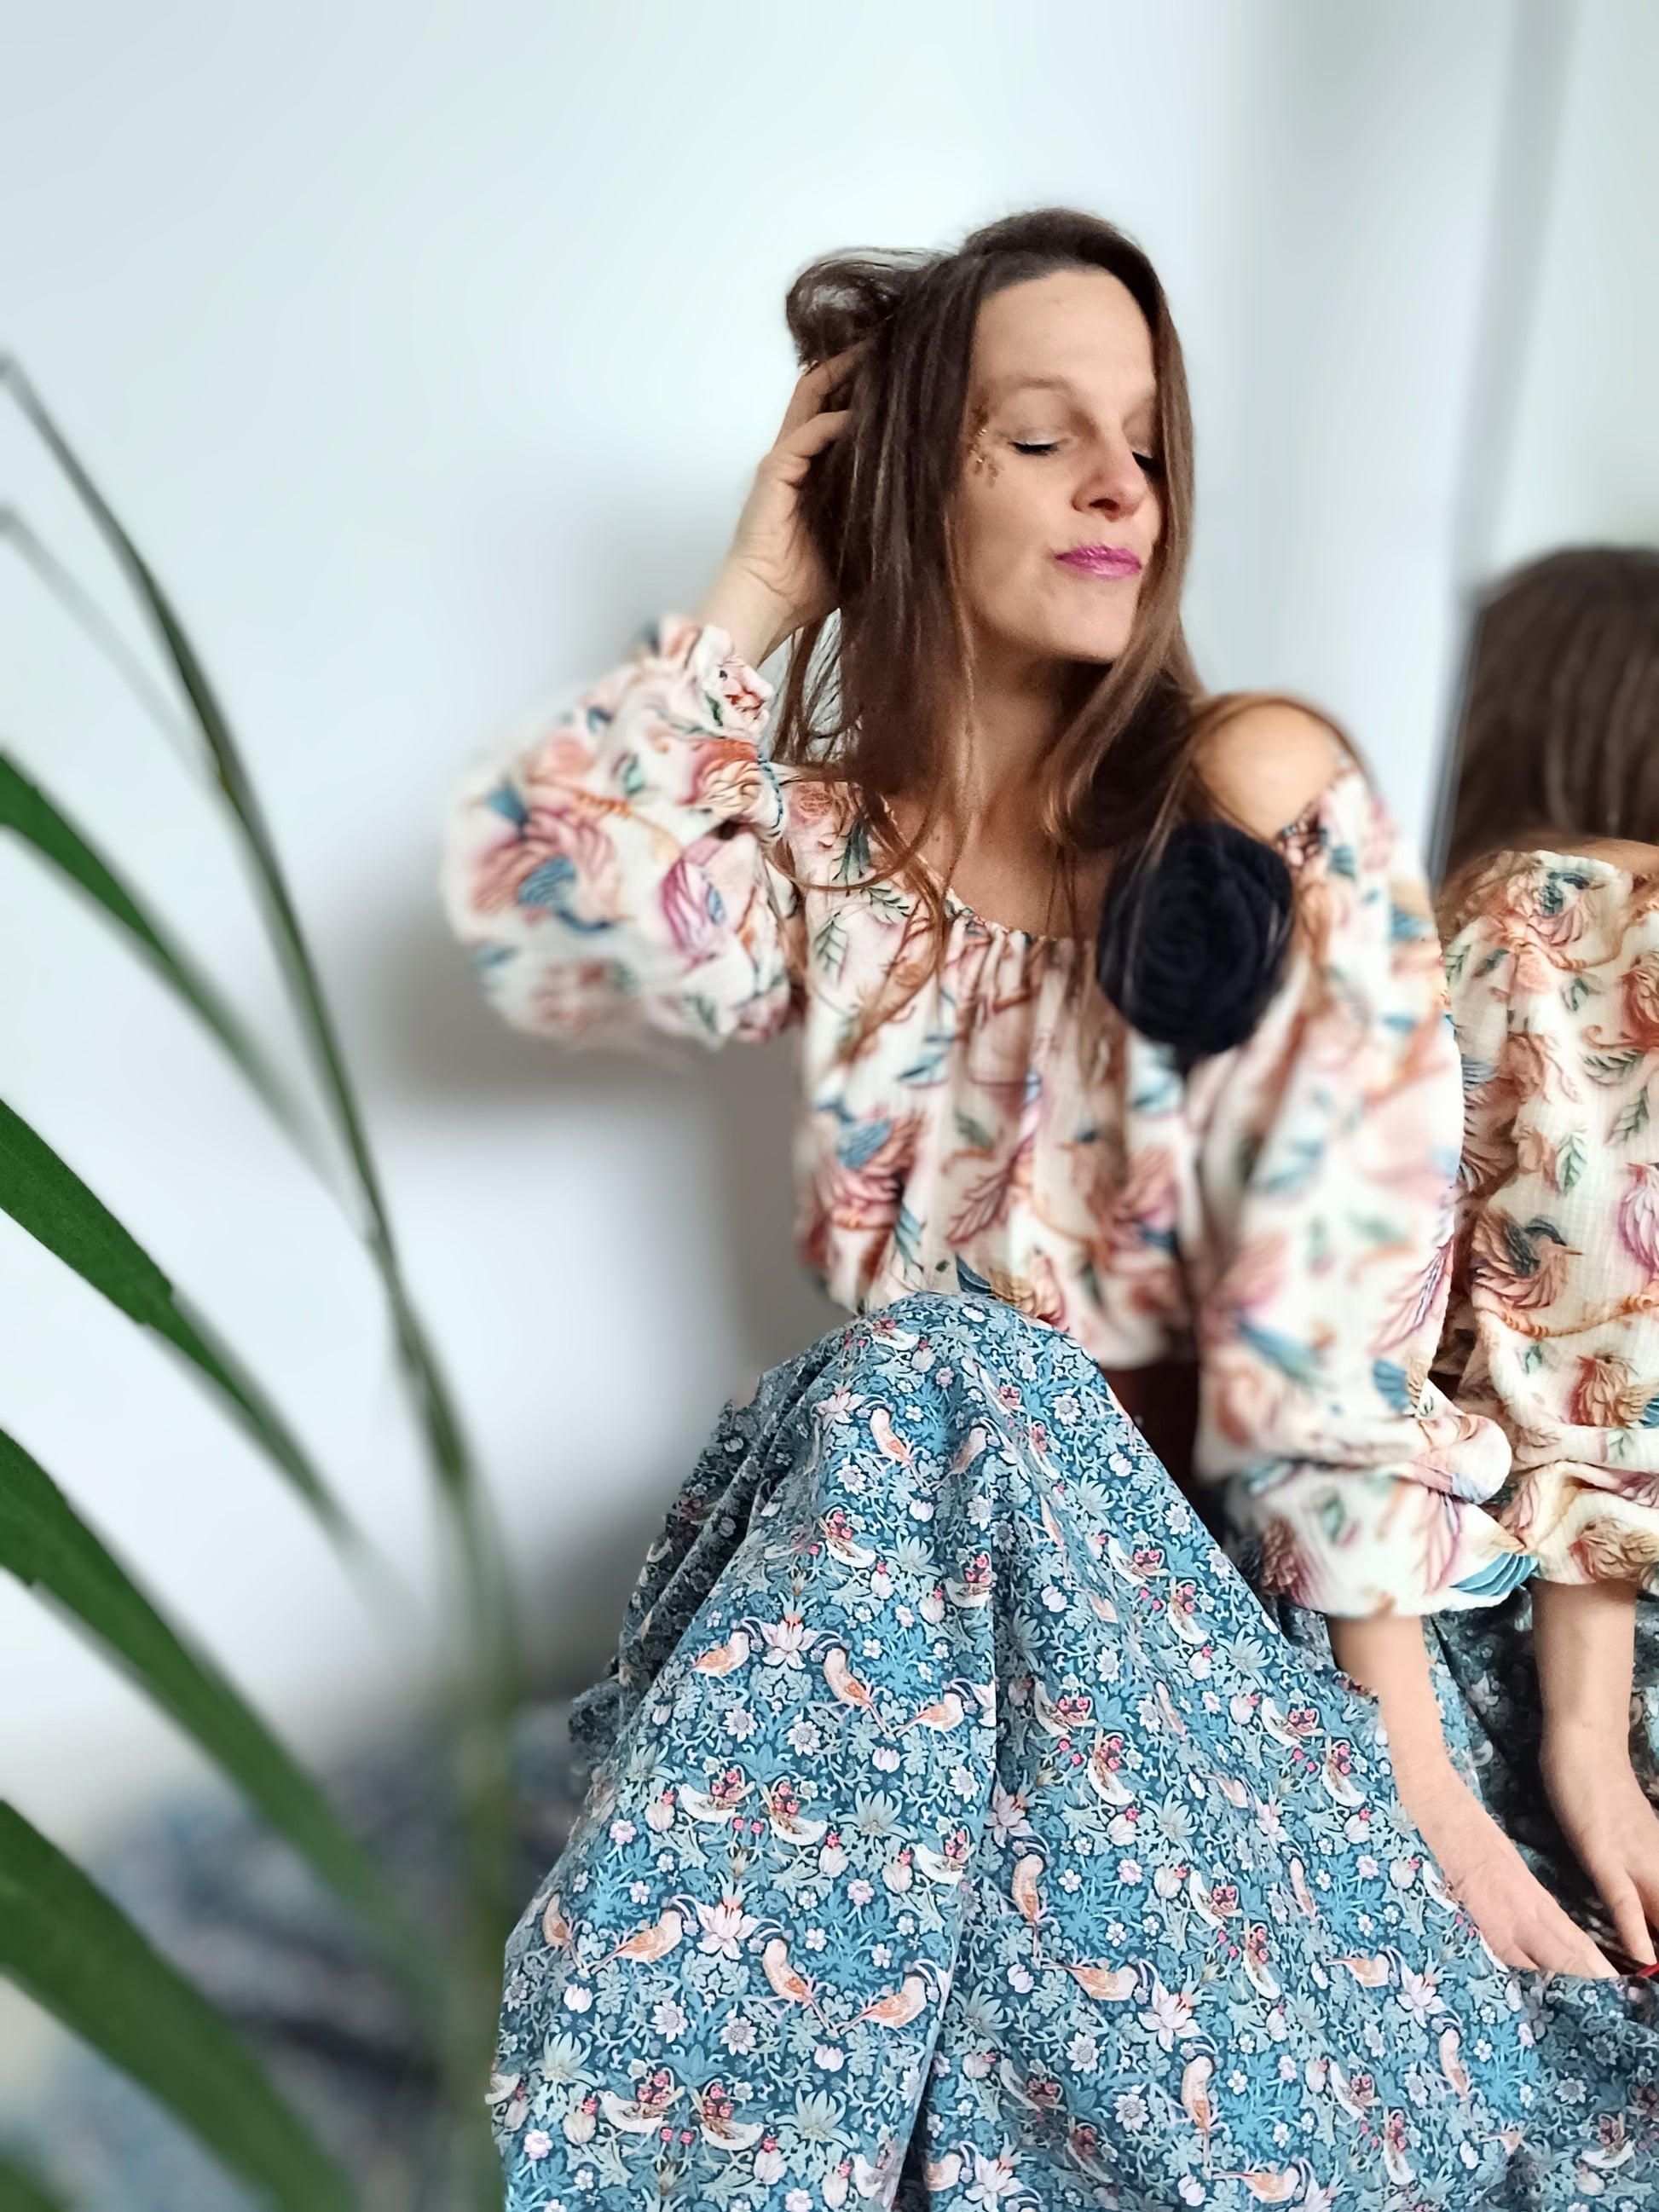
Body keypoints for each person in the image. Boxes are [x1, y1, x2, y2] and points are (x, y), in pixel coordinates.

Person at [443, 216, 1658, 2210]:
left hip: (1250, 1632)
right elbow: (543, 907)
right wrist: (760, 584)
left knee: (936, 1373)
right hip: (963, 1630)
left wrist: (1417, 1787)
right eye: (1039, 438)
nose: (1119, 487)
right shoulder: (821, 850)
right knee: (905, 1396)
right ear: (901, 484)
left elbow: (1337, 1289)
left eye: (1149, 445)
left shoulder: (1244, 780)